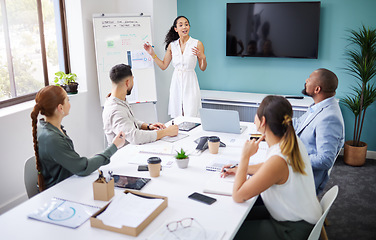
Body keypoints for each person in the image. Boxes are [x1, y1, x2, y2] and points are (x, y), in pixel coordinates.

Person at [222, 95, 322, 239]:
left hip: (293, 229)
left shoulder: (278, 159)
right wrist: (240, 169)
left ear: (262, 121)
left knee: (231, 232)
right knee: (232, 216)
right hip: (298, 215)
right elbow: (269, 169)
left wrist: (245, 157)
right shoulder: (290, 140)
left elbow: (238, 195)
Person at [30, 85, 126, 191]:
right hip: (60, 190)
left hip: (68, 182)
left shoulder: (48, 126)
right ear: (60, 108)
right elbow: (83, 168)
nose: (70, 104)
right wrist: (114, 146)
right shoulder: (52, 138)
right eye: (68, 100)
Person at [143, 16, 207, 118]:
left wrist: (203, 58)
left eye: (186, 24)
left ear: (189, 27)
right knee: (178, 115)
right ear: (176, 29)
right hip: (176, 82)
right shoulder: (172, 46)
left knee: (191, 114)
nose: (184, 27)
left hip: (190, 82)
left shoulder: (197, 44)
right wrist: (152, 54)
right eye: (181, 25)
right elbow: (164, 65)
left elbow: (202, 68)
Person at [293, 68, 345, 194]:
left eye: (309, 79)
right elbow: (299, 124)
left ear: (317, 89)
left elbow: (325, 159)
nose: (306, 80)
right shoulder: (319, 106)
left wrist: (291, 158)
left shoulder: (329, 117)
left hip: (303, 178)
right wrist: (275, 122)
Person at [102, 64, 178, 145]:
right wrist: (166, 132)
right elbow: (135, 137)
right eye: (132, 79)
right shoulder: (115, 110)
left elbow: (130, 121)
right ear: (128, 82)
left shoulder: (118, 100)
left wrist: (148, 126)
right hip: (124, 154)